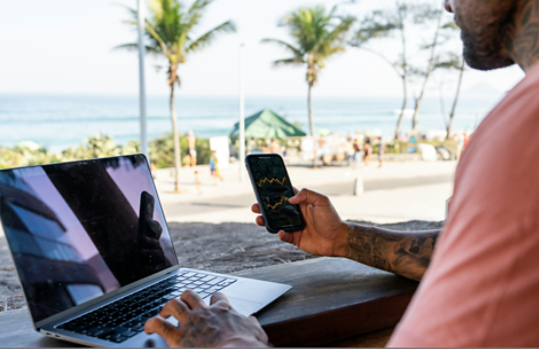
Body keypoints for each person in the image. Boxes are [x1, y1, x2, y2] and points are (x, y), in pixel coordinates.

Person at [145, 0, 539, 346]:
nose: (447, 5)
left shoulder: (524, 125)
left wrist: (227, 342)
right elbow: (466, 254)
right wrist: (344, 240)